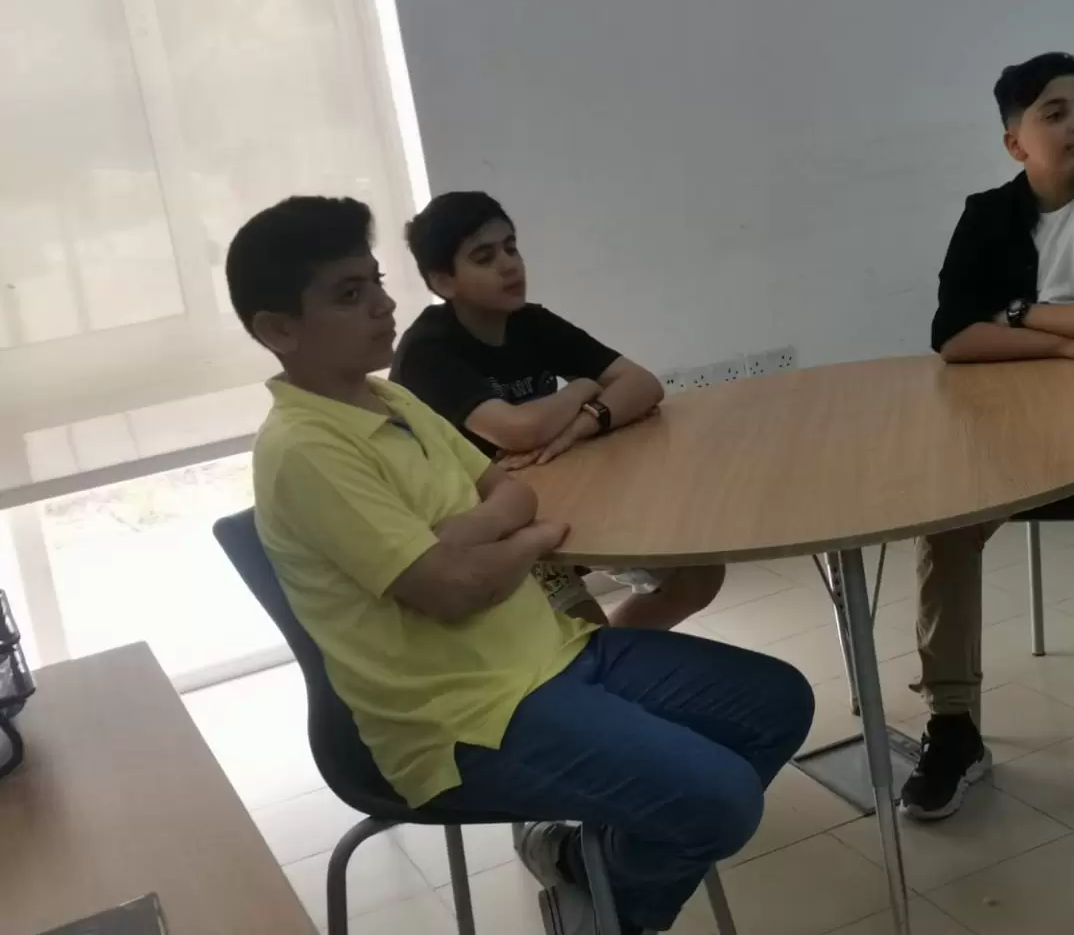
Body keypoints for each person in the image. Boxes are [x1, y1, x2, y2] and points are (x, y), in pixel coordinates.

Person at [230, 196, 813, 935]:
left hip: (553, 650)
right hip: (460, 716)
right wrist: (530, 541)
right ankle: (610, 914)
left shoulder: (390, 398)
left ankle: (588, 867)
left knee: (780, 703)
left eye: (375, 281)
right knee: (721, 800)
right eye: (349, 294)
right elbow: (453, 589)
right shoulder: (306, 449)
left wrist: (463, 534)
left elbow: (513, 487)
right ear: (277, 330)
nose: (382, 304)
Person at [904, 52, 1074, 820]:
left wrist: (1016, 314)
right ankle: (953, 726)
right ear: (1016, 142)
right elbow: (953, 337)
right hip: (1016, 428)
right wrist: (1060, 342)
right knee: (944, 526)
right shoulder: (987, 216)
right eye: (1055, 113)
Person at [391, 191, 724, 631]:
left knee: (698, 575)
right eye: (484, 257)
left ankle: (613, 656)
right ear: (443, 281)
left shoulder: (531, 322)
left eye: (511, 248)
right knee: (581, 630)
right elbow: (518, 431)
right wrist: (585, 387)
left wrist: (584, 423)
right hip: (487, 527)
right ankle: (604, 658)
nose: (510, 265)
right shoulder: (428, 350)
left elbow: (643, 384)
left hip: (562, 493)